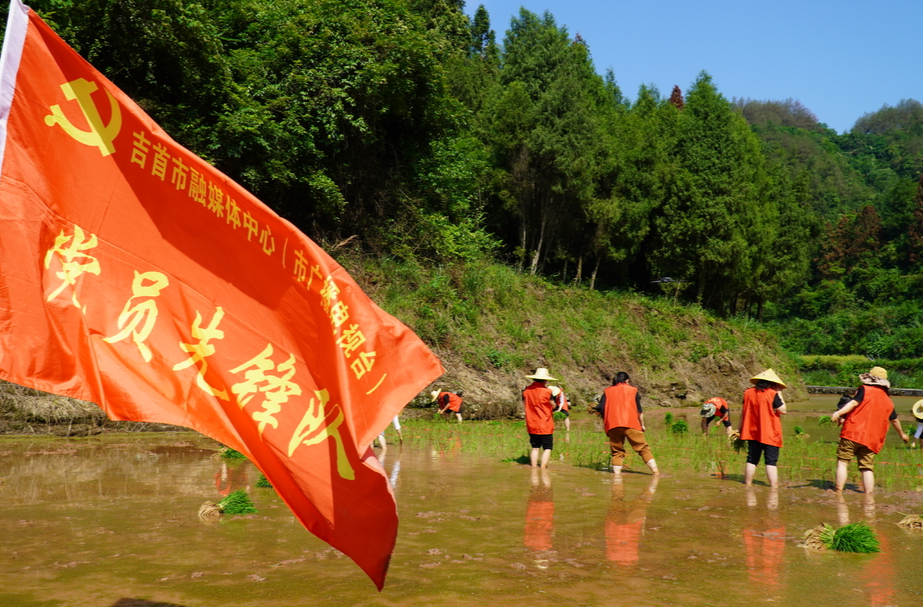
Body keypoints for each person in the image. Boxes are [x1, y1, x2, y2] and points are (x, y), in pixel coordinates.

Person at [830, 367, 909, 494]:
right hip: (872, 439)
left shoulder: (864, 389)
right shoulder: (888, 401)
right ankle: (869, 496)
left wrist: (838, 413)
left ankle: (838, 492)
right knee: (867, 468)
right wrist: (902, 434)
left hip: (853, 433)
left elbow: (853, 403)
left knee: (843, 462)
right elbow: (894, 420)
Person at [595, 372, 659, 475]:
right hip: (631, 423)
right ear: (627, 380)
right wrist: (642, 425)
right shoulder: (633, 391)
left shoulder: (607, 392)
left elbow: (600, 408)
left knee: (616, 452)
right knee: (643, 449)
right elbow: (639, 410)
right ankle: (655, 473)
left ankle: (617, 477)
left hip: (613, 425)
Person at [739, 369, 787, 488]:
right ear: (773, 384)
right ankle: (774, 488)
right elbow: (783, 410)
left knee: (751, 459)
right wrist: (779, 394)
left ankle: (748, 485)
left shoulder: (747, 392)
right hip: (770, 433)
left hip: (751, 432)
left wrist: (739, 429)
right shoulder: (772, 393)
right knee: (771, 461)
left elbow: (743, 412)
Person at [522, 368, 558, 468]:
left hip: (532, 423)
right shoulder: (547, 391)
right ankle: (543, 468)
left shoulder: (526, 391)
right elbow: (553, 405)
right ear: (545, 380)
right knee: (547, 447)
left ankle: (533, 468)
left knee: (535, 447)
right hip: (545, 423)